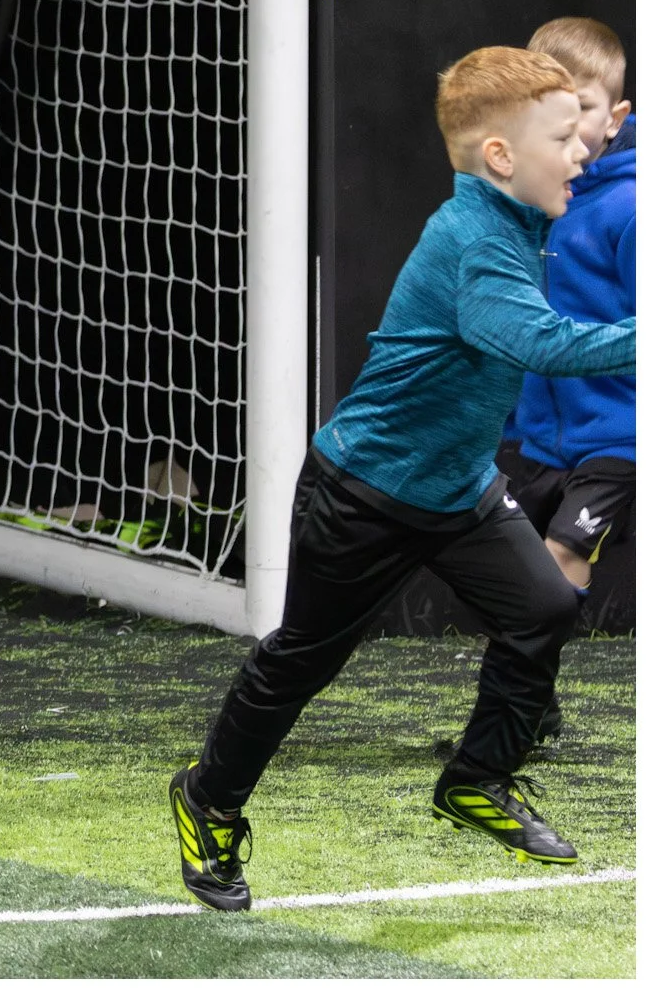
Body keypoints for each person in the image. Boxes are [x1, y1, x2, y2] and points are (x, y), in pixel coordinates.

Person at [169, 46, 635, 911]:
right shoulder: (473, 241)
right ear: (500, 157)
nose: (585, 151)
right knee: (300, 662)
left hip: (458, 489)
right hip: (365, 495)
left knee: (542, 609)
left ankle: (475, 780)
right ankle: (208, 799)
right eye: (567, 137)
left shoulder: (518, 222)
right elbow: (543, 345)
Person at [495, 19, 633, 730]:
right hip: (540, 437)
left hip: (617, 436)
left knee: (558, 557)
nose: (567, 123)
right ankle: (533, 707)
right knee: (514, 572)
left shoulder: (630, 207)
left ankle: (514, 718)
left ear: (616, 116)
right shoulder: (527, 202)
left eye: (581, 105)